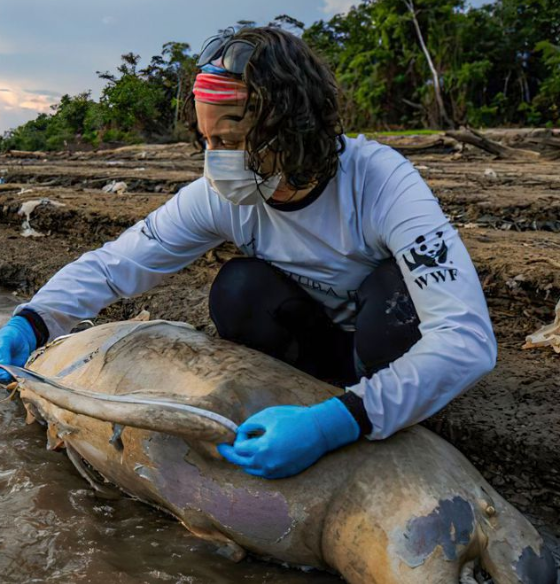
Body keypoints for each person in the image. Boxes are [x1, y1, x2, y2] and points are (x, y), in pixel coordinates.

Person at [0, 27, 497, 479]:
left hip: (382, 348)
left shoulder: (382, 183)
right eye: (208, 141)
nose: (218, 161)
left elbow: (466, 339)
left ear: (294, 127)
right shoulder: (222, 196)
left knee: (397, 296)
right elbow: (118, 264)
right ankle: (300, 403)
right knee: (238, 288)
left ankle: (369, 411)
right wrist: (33, 320)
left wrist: (334, 424)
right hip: (313, 348)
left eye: (234, 140)